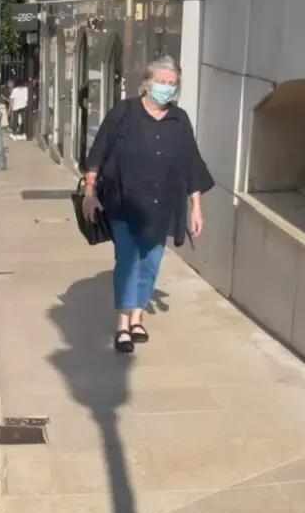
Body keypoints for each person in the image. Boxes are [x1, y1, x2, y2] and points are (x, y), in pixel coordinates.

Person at [80, 56, 215, 354]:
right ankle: (123, 325)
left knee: (150, 264)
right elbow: (98, 152)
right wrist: (90, 191)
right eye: (161, 82)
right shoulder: (123, 113)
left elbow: (192, 164)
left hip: (164, 204)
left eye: (171, 83)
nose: (166, 88)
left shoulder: (179, 120)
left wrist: (196, 207)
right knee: (128, 262)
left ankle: (138, 317)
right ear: (146, 83)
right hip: (124, 202)